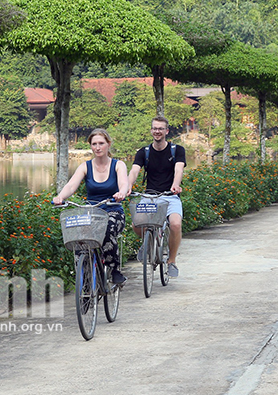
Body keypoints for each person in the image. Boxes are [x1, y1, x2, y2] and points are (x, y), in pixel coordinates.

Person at [52, 128, 129, 286]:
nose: (98, 147)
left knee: (107, 230)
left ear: (108, 144)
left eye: (101, 143)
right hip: (92, 212)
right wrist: (60, 196)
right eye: (94, 144)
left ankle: (114, 270)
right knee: (80, 239)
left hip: (113, 210)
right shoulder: (85, 166)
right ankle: (85, 282)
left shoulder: (118, 165)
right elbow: (72, 185)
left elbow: (123, 182)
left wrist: (121, 192)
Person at [128, 115, 186, 278]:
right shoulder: (143, 152)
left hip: (170, 195)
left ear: (166, 131)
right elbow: (134, 171)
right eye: (155, 128)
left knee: (175, 224)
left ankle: (171, 261)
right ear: (151, 130)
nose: (157, 131)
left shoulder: (177, 150)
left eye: (161, 128)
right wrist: (127, 186)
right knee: (136, 224)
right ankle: (148, 242)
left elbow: (179, 169)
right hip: (149, 197)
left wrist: (175, 184)